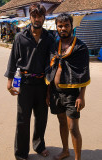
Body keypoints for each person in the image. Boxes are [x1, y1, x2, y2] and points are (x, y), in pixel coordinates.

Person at [4, 3, 55, 160]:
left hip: (41, 84)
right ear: (30, 17)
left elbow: (52, 62)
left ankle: (39, 145)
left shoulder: (49, 38)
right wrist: (10, 81)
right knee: (22, 120)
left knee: (41, 118)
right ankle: (21, 153)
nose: (37, 19)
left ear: (44, 17)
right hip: (24, 83)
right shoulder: (20, 37)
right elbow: (13, 60)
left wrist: (50, 88)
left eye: (40, 16)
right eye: (34, 16)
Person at [46, 13, 90, 160]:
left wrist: (81, 96)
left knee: (73, 127)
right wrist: (48, 93)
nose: (63, 28)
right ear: (56, 27)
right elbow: (50, 70)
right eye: (60, 26)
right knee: (62, 123)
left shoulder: (80, 47)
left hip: (72, 94)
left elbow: (83, 73)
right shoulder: (54, 45)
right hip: (55, 93)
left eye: (66, 25)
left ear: (71, 26)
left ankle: (78, 158)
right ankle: (65, 151)